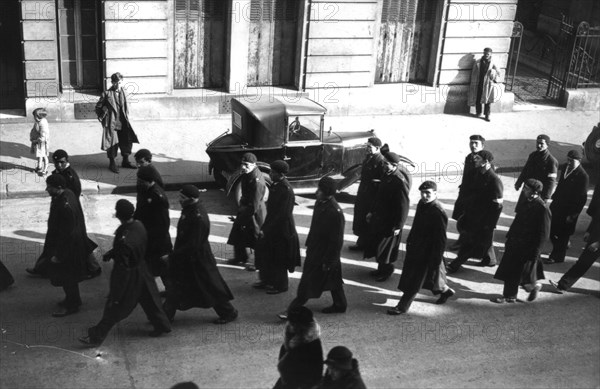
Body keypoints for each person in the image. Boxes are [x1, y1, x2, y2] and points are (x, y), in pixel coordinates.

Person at [78, 200, 172, 346]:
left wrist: (116, 293)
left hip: (130, 276)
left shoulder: (125, 238)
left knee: (115, 308)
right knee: (151, 301)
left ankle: (95, 337)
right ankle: (162, 326)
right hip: (142, 269)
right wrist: (112, 253)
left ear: (118, 215)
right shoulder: (138, 226)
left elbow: (123, 269)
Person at [162, 185, 238, 325]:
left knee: (210, 286)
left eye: (182, 198)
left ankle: (228, 312)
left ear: (191, 199)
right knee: (178, 286)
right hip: (189, 257)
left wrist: (173, 256)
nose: (179, 200)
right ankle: (165, 316)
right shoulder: (191, 210)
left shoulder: (198, 217)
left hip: (197, 259)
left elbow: (192, 245)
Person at [26, 149, 102, 279]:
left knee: (79, 242)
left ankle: (92, 268)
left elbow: (74, 195)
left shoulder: (71, 176)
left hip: (70, 214)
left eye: (61, 162)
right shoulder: (58, 173)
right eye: (56, 163)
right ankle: (42, 268)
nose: (58, 165)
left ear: (67, 161)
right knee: (53, 243)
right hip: (60, 212)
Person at [278, 177, 346, 319]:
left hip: (325, 254)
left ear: (327, 192)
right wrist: (309, 244)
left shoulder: (335, 212)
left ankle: (293, 309)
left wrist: (329, 261)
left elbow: (336, 241)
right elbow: (314, 227)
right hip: (315, 250)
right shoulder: (320, 203)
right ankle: (340, 304)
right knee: (333, 280)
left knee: (308, 282)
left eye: (320, 190)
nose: (317, 192)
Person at [388, 181, 455, 315]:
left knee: (414, 280)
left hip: (428, 252)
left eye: (428, 193)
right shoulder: (422, 204)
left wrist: (436, 259)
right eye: (422, 193)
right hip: (416, 248)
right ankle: (446, 291)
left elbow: (441, 239)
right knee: (430, 279)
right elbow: (416, 224)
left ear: (435, 193)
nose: (424, 196)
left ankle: (402, 307)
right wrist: (410, 240)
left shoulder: (438, 211)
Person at [43, 174, 96, 317]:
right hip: (71, 246)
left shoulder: (65, 205)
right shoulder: (67, 194)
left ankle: (72, 305)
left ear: (59, 188)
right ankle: (72, 300)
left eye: (50, 187)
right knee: (69, 278)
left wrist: (59, 255)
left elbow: (68, 234)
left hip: (69, 249)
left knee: (68, 278)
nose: (47, 189)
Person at [493, 179, 551, 303]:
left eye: (527, 189)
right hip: (515, 241)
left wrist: (536, 252)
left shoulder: (542, 208)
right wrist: (509, 236)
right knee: (513, 270)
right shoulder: (526, 202)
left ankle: (512, 294)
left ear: (535, 192)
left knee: (517, 271)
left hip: (527, 245)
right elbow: (517, 221)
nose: (523, 190)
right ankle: (522, 291)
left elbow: (543, 234)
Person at [447, 150, 503, 273]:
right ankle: (490, 260)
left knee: (470, 242)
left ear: (486, 162)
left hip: (484, 219)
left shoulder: (494, 180)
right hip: (473, 214)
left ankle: (455, 264)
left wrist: (491, 223)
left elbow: (498, 205)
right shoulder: (477, 173)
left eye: (477, 158)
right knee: (485, 241)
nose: (475, 160)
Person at [364, 151, 411, 282]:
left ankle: (387, 270)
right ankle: (381, 269)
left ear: (394, 165)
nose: (383, 165)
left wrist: (399, 226)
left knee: (385, 249)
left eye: (386, 163)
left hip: (391, 222)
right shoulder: (386, 174)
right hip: (380, 218)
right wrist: (371, 212)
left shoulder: (399, 181)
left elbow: (404, 206)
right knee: (378, 245)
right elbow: (378, 196)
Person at [254, 160, 301, 294]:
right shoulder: (277, 185)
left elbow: (282, 214)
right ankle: (267, 280)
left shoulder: (285, 189)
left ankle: (280, 285)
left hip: (282, 229)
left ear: (279, 174)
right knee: (267, 254)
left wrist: (266, 230)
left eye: (272, 172)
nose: (270, 175)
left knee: (279, 258)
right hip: (272, 226)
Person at [550, 181, 600, 293]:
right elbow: (597, 218)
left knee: (583, 262)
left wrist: (598, 243)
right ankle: (562, 285)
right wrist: (589, 231)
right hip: (595, 237)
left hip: (597, 241)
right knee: (583, 262)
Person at [545, 149, 589, 264]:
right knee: (551, 230)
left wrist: (573, 215)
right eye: (568, 160)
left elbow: (582, 199)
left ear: (579, 161)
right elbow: (561, 184)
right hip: (557, 206)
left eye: (571, 161)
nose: (568, 162)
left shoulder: (583, 176)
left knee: (563, 235)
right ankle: (561, 248)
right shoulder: (565, 168)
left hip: (568, 212)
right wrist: (554, 196)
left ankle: (557, 257)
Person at [227, 152, 267, 271]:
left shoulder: (257, 181)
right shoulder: (246, 173)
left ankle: (259, 264)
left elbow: (254, 204)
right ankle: (240, 257)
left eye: (246, 164)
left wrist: (244, 216)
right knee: (237, 232)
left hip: (255, 213)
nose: (243, 167)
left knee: (256, 238)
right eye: (242, 164)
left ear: (254, 165)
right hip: (245, 208)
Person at [134, 165, 172, 284]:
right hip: (147, 236)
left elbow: (164, 224)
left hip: (158, 240)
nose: (138, 183)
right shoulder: (144, 190)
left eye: (141, 181)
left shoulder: (157, 197)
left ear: (150, 181)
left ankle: (170, 290)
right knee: (151, 265)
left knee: (163, 267)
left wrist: (154, 241)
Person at [95, 72, 139, 173]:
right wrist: (104, 113)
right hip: (112, 122)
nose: (117, 85)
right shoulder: (106, 94)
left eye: (119, 82)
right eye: (115, 83)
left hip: (124, 121)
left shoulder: (125, 92)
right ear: (112, 82)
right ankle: (112, 163)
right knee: (112, 143)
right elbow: (98, 107)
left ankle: (125, 160)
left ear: (122, 81)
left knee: (126, 140)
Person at [349, 137, 386, 251]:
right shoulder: (368, 158)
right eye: (367, 146)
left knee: (369, 220)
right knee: (361, 218)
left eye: (369, 147)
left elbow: (383, 180)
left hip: (372, 196)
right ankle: (361, 243)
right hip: (364, 194)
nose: (367, 149)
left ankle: (369, 246)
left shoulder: (381, 161)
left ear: (377, 148)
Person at [273, 306, 323, 389]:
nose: (290, 325)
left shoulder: (312, 345)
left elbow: (315, 375)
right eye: (291, 322)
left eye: (293, 323)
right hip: (288, 382)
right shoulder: (290, 339)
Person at [451, 135, 486, 250]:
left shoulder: (484, 159)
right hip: (466, 194)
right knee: (462, 218)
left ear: (482, 146)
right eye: (471, 143)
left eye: (476, 143)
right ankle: (463, 240)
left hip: (476, 197)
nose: (473, 145)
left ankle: (467, 244)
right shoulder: (469, 157)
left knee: (471, 222)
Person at [514, 134, 558, 208]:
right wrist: (518, 183)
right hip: (527, 189)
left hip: (538, 192)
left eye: (542, 144)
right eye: (537, 143)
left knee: (532, 213)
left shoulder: (551, 161)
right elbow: (525, 170)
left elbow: (551, 181)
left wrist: (546, 197)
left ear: (547, 145)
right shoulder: (533, 155)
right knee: (521, 210)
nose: (539, 145)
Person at [467, 47, 501, 122]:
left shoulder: (493, 63)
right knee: (478, 98)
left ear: (491, 54)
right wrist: (473, 82)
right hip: (479, 82)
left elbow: (499, 72)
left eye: (488, 54)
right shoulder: (478, 62)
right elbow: (474, 73)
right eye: (485, 53)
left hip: (488, 84)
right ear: (483, 53)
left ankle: (487, 115)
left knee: (487, 100)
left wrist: (493, 71)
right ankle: (478, 112)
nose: (486, 55)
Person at [29, 107, 49, 176]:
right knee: (39, 155)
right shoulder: (38, 121)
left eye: (34, 116)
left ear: (38, 116)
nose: (33, 118)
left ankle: (45, 170)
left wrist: (35, 141)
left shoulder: (43, 124)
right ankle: (39, 167)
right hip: (37, 141)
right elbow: (35, 129)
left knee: (44, 156)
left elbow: (43, 136)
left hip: (41, 143)